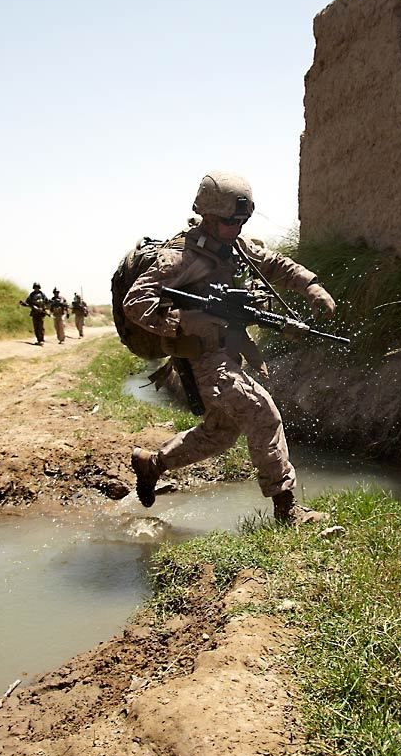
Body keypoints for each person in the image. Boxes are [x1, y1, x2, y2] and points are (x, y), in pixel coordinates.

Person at [122, 170, 337, 524]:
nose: (235, 228)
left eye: (242, 220)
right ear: (207, 215)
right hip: (203, 358)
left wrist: (311, 286)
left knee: (219, 434)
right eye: (228, 221)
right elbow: (137, 300)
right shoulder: (180, 257)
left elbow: (276, 264)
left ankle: (152, 463)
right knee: (261, 412)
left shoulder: (236, 246)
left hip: (229, 354)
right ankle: (287, 510)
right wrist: (186, 322)